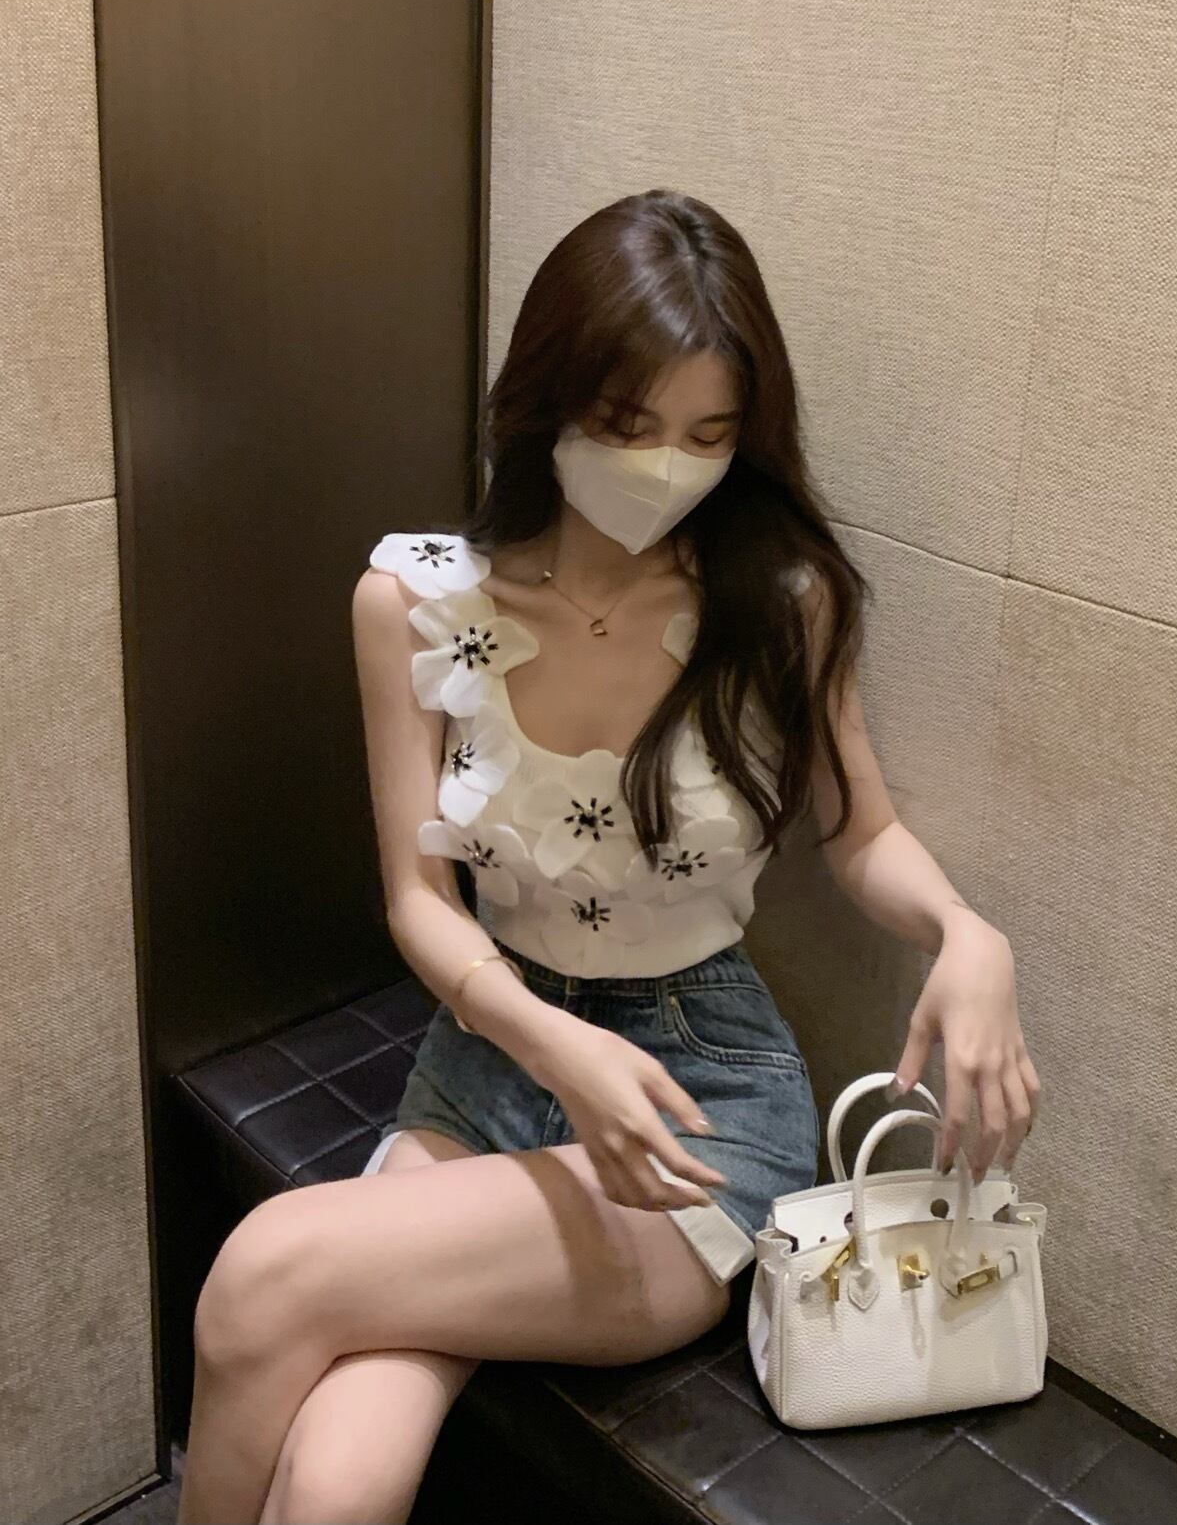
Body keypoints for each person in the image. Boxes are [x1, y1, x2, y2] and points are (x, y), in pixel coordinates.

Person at [177, 189, 1041, 1525]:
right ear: (547, 400)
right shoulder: (416, 602)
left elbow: (859, 828)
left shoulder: (780, 603)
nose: (663, 465)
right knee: (342, 1482)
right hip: (490, 1058)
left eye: (707, 435)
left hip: (696, 1102)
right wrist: (550, 1046)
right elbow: (416, 898)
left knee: (259, 1279)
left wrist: (967, 934)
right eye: (628, 423)